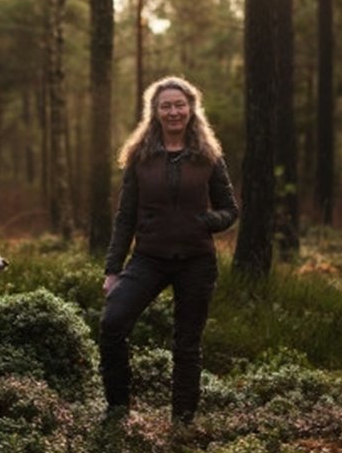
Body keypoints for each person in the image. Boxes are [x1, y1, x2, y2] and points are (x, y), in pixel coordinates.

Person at [99, 75, 239, 425]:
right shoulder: (140, 158)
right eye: (166, 106)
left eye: (180, 104)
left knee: (187, 345)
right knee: (113, 324)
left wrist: (207, 221)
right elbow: (125, 216)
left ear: (191, 109)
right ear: (155, 112)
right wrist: (113, 269)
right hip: (149, 259)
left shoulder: (209, 156)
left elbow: (230, 210)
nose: (174, 111)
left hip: (197, 262)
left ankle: (182, 423)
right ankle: (118, 412)